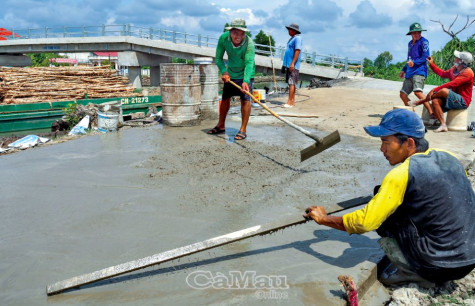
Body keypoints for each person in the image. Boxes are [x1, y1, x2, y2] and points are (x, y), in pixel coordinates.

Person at [304, 109, 475, 288]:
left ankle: (412, 273)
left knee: (389, 217)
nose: (382, 149)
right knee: (388, 195)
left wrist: (324, 219)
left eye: (386, 142)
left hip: (438, 265)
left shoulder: (402, 174)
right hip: (469, 259)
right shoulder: (449, 158)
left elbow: (365, 223)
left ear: (409, 143)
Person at [207, 18, 255, 140]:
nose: (238, 36)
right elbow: (218, 58)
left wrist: (245, 81)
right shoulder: (223, 38)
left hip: (246, 73)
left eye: (241, 33)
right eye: (235, 33)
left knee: (245, 100)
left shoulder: (249, 43)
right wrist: (224, 71)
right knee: (225, 99)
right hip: (231, 73)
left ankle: (243, 129)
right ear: (230, 32)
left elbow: (249, 63)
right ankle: (221, 125)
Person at [410, 50, 474, 132]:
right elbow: (443, 74)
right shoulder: (454, 69)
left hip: (462, 101)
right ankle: (443, 125)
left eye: (457, 58)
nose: (454, 59)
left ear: (461, 61)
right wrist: (432, 64)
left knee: (444, 90)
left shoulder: (468, 73)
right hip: (452, 97)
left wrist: (434, 90)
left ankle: (421, 101)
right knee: (435, 100)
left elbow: (452, 84)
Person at [399, 22, 432, 116]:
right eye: (415, 33)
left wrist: (415, 63)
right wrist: (403, 69)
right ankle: (412, 114)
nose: (417, 34)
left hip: (419, 71)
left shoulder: (424, 41)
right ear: (411, 34)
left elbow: (425, 56)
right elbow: (409, 59)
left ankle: (432, 112)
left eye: (419, 32)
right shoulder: (410, 44)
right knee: (403, 94)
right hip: (410, 72)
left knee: (417, 92)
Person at [282, 23, 302, 108]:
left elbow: (297, 51)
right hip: (288, 64)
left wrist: (292, 63)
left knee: (291, 83)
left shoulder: (297, 38)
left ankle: (289, 102)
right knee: (291, 83)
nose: (288, 31)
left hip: (292, 65)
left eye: (290, 30)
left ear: (294, 30)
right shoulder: (291, 39)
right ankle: (292, 102)